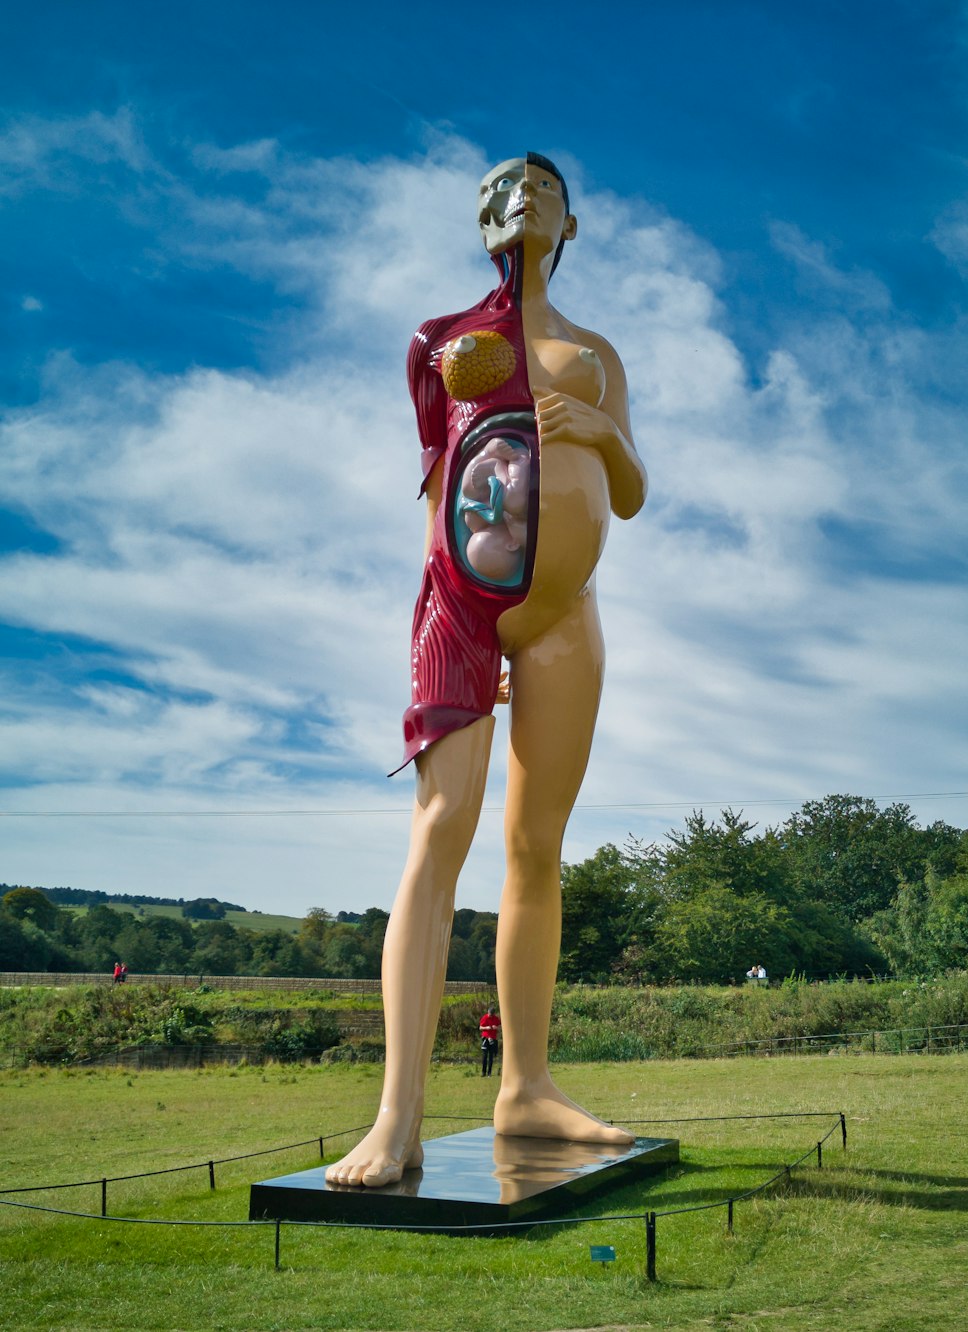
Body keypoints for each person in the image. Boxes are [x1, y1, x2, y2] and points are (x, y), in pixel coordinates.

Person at [326, 153, 646, 1189]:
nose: (524, 203)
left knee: (536, 850)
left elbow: (631, 489)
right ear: (484, 222)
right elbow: (436, 488)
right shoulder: (444, 342)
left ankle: (527, 1088)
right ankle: (396, 1118)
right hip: (461, 608)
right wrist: (454, 613)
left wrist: (598, 429)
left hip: (566, 617)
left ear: (571, 224)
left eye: (545, 192)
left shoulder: (596, 353)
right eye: (505, 193)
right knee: (438, 835)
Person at [480, 1004, 500, 1076]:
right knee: (485, 1056)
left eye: (491, 1015)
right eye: (489, 1014)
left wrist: (496, 1027)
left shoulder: (496, 1019)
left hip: (493, 1039)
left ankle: (489, 1073)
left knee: (491, 1056)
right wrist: (487, 1028)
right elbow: (480, 1027)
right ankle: (483, 1072)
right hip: (485, 1038)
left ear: (493, 1014)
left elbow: (499, 1026)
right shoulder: (485, 1018)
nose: (490, 1016)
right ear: (488, 1012)